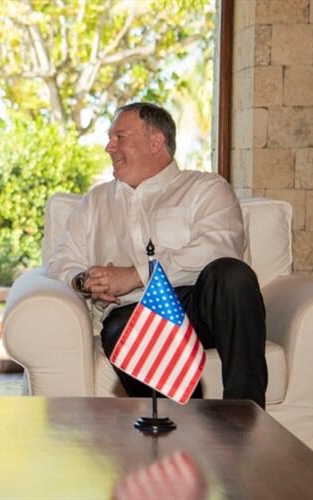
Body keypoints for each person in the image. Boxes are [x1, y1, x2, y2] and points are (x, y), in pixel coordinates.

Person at [46, 102, 268, 408]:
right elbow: (61, 261)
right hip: (131, 311)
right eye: (110, 138)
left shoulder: (205, 188)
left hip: (198, 306)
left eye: (119, 137)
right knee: (126, 332)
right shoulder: (96, 201)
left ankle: (246, 415)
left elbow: (220, 246)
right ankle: (184, 424)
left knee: (233, 275)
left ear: (155, 142)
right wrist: (84, 281)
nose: (109, 147)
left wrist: (136, 275)